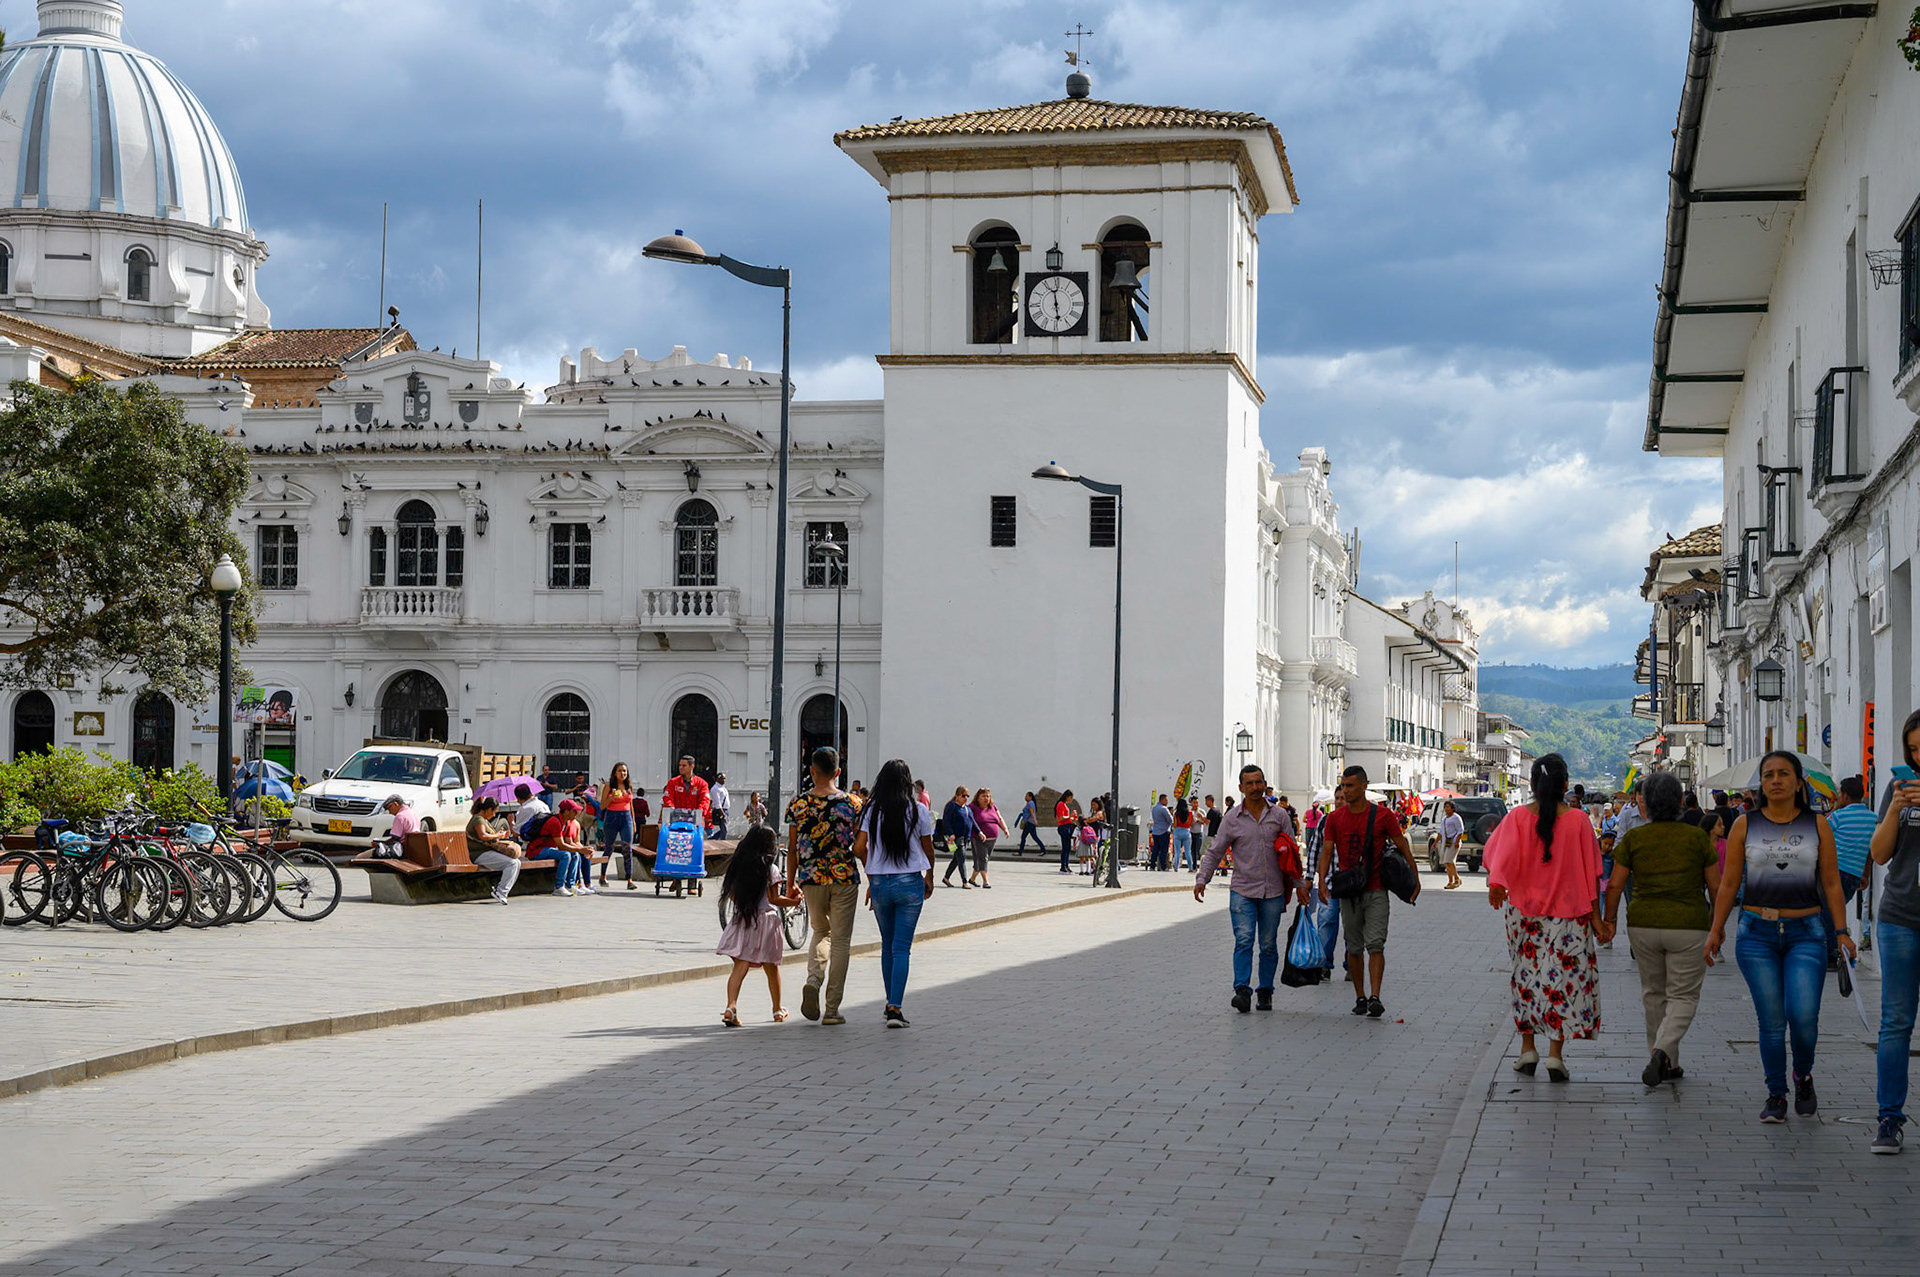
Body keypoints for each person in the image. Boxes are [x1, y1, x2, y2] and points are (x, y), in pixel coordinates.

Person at [1706, 750, 1854, 1124]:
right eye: (1768, 774)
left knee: (1803, 1017)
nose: (1775, 780)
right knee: (1771, 1022)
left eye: (1784, 774)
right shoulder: (1745, 825)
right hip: (1757, 934)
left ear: (1798, 782)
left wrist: (1842, 932)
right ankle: (1776, 1094)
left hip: (1807, 933)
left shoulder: (1817, 825)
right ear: (1761, 783)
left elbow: (1831, 883)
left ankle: (1802, 1076)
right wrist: (1716, 928)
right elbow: (1729, 882)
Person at [1484, 753, 1604, 1082]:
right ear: (1565, 785)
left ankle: (1527, 1050)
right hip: (1570, 916)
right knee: (1560, 982)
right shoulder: (1579, 821)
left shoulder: (1516, 818)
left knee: (1526, 979)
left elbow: (1496, 856)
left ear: (1534, 785)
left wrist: (1497, 885)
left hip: (1524, 914)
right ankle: (1555, 1055)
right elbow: (1593, 874)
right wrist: (1599, 920)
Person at [1604, 769, 1718, 1087]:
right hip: (1689, 925)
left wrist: (1610, 921)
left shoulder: (1635, 839)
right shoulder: (1696, 837)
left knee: (1653, 993)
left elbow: (1614, 885)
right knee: (1683, 995)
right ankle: (1662, 1052)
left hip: (1643, 924)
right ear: (1680, 801)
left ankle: (1667, 1060)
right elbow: (1716, 887)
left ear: (1646, 803)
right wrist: (1718, 925)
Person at [1194, 763, 1310, 1012]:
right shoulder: (1232, 818)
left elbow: (1292, 853)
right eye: (1250, 784)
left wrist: (1300, 885)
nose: (1255, 787)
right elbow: (1215, 851)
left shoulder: (1279, 816)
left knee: (1268, 944)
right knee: (1244, 940)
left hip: (1273, 891)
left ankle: (1265, 991)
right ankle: (1242, 991)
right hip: (1242, 890)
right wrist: (1203, 878)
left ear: (1265, 784)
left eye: (1259, 782)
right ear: (1241, 788)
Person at [1316, 764, 1418, 1018]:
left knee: (1375, 944)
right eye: (1343, 786)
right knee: (1353, 947)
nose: (1345, 791)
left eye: (1350, 786)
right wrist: (1321, 881)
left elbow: (1401, 844)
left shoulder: (1383, 816)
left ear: (1364, 786)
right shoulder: (1334, 819)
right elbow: (1326, 851)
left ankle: (1375, 997)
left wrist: (1414, 877)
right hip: (1349, 891)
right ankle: (1360, 996)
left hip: (1376, 889)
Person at [1868, 710, 1920, 1153]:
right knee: (1896, 1022)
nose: (1919, 758)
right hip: (1900, 916)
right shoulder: (1898, 788)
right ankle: (1889, 1119)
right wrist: (1896, 810)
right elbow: (1880, 854)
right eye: (1913, 750)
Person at [854, 759, 938, 1027]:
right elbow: (928, 848)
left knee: (887, 945)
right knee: (901, 947)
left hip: (880, 884)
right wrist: (929, 876)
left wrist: (872, 874)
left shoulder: (871, 811)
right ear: (907, 782)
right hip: (909, 882)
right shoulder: (919, 810)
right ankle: (894, 1007)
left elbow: (858, 848)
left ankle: (890, 1001)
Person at [783, 747, 861, 1025]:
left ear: (812, 771)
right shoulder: (852, 803)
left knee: (820, 930)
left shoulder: (798, 804)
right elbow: (860, 844)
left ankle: (813, 980)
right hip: (844, 877)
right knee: (841, 941)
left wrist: (790, 884)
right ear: (838, 772)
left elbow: (792, 849)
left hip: (811, 878)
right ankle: (831, 1009)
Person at [716, 826, 801, 1027]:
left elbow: (732, 895)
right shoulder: (770, 869)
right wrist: (794, 902)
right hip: (767, 922)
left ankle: (731, 1007)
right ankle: (777, 1010)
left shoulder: (738, 866)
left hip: (745, 919)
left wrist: (746, 904)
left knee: (740, 966)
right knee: (771, 968)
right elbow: (774, 898)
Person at [1826, 775, 1876, 965]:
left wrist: (1834, 808)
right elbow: (1871, 851)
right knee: (1835, 910)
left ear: (1845, 795)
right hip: (1854, 874)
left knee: (1826, 912)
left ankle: (1832, 953)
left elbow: (1821, 833)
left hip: (1835, 871)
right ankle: (1833, 950)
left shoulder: (1838, 816)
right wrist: (1865, 874)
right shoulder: (1874, 818)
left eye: (1840, 793)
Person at [528, 798, 595, 896]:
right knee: (565, 855)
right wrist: (581, 849)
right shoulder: (555, 822)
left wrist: (583, 850)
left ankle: (571, 885)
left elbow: (568, 843)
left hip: (550, 849)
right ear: (567, 811)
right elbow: (562, 846)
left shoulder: (566, 822)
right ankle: (559, 887)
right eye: (574, 811)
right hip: (537, 851)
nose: (576, 813)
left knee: (575, 854)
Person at [465, 796, 523, 904]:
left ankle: (501, 891)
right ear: (489, 809)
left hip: (486, 852)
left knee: (517, 862)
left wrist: (499, 835)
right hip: (479, 854)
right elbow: (483, 836)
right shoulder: (478, 819)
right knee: (512, 863)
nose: (494, 815)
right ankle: (500, 892)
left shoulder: (483, 820)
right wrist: (497, 835)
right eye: (494, 811)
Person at [598, 762, 637, 889]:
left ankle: (629, 879)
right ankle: (603, 876)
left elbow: (631, 805)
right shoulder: (609, 786)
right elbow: (602, 806)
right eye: (620, 771)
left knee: (627, 848)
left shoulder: (628, 787)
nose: (622, 773)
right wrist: (611, 797)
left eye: (624, 771)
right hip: (612, 818)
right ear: (615, 773)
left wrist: (633, 822)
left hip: (626, 818)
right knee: (609, 847)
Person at [940, 787, 975, 888]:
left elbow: (972, 822)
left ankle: (946, 878)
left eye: (967, 796)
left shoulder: (967, 809)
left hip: (965, 838)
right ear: (957, 796)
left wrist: (980, 832)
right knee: (962, 858)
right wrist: (950, 833)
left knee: (957, 858)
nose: (966, 798)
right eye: (963, 796)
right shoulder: (951, 806)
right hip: (955, 838)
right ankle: (964, 881)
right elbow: (946, 821)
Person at [969, 788, 1004, 888]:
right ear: (978, 798)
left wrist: (1005, 829)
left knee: (984, 859)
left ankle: (972, 879)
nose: (986, 798)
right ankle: (986, 881)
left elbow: (999, 819)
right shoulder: (973, 807)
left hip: (992, 839)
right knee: (983, 859)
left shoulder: (993, 807)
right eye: (983, 796)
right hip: (979, 838)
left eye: (988, 796)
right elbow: (969, 819)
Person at [664, 756, 712, 827]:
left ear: (692, 766)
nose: (680, 767)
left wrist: (699, 813)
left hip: (695, 824)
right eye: (680, 765)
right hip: (675, 822)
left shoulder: (701, 783)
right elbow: (667, 799)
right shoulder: (673, 782)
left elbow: (705, 801)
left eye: (684, 765)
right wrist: (671, 810)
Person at [373, 793, 418, 858]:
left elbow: (394, 838)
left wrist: (380, 844)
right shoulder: (413, 813)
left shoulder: (400, 816)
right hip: (413, 848)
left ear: (395, 804)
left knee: (361, 856)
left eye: (389, 808)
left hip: (400, 850)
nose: (390, 812)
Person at [1439, 800, 1465, 890]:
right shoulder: (1444, 819)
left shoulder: (1456, 818)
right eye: (1445, 807)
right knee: (1446, 862)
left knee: (1449, 860)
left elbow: (1460, 830)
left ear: (1452, 808)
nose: (1446, 809)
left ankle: (1457, 879)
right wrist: (1435, 842)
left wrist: (1457, 841)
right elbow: (1441, 832)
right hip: (1446, 842)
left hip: (1454, 842)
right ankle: (1450, 881)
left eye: (1448, 807)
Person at [1149, 793, 1173, 871]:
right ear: (1161, 800)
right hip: (1164, 831)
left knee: (1155, 850)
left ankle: (1152, 866)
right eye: (1166, 800)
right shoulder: (1164, 809)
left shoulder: (1154, 808)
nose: (1167, 802)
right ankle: (1163, 866)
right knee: (1163, 850)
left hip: (1155, 831)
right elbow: (1170, 820)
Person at [1055, 790, 1077, 872]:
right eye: (1070, 797)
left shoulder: (1064, 805)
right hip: (1063, 827)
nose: (1071, 799)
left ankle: (1066, 865)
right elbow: (1061, 818)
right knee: (1065, 847)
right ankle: (1063, 865)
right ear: (1067, 797)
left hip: (1067, 826)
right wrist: (1070, 816)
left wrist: (1072, 818)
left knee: (1067, 848)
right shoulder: (1061, 804)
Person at [1171, 796, 1195, 872]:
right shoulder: (1190, 813)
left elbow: (1175, 825)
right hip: (1187, 832)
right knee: (1188, 852)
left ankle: (1176, 867)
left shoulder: (1176, 814)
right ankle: (1190, 868)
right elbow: (1192, 823)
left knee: (1177, 851)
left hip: (1178, 832)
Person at [710, 772, 732, 840]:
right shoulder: (715, 789)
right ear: (717, 779)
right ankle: (723, 841)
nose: (724, 780)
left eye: (724, 778)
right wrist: (722, 813)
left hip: (725, 810)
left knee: (724, 829)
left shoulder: (723, 788)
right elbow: (717, 802)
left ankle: (712, 838)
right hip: (720, 810)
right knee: (724, 830)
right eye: (722, 778)